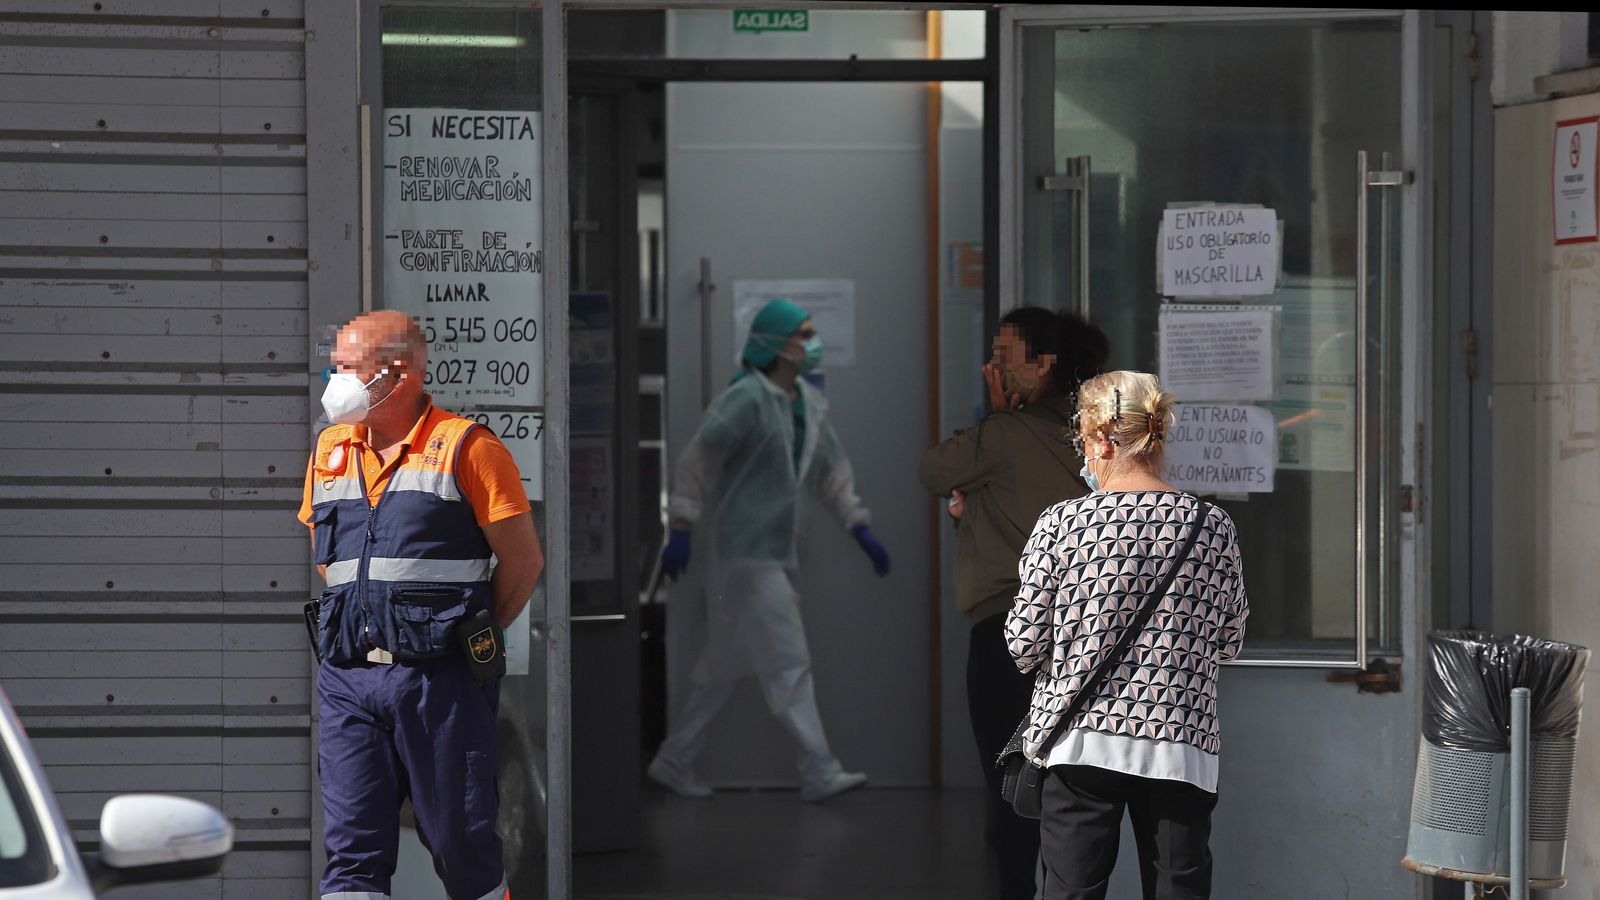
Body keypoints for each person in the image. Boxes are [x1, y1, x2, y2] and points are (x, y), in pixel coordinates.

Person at [300, 310, 543, 900]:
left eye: (348, 368)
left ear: (397, 373)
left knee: (463, 846)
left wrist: (466, 636)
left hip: (440, 683)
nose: (335, 381)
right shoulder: (330, 451)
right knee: (351, 855)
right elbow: (329, 563)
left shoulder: (469, 448)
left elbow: (523, 563)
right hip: (348, 680)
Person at [1007, 371, 1249, 900]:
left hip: (1080, 742)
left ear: (1100, 439)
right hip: (1179, 742)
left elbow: (1023, 643)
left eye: (1082, 442)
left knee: (1071, 890)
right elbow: (1229, 640)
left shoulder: (1061, 524)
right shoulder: (1211, 525)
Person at [649, 297, 891, 804]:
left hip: (775, 553)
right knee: (787, 658)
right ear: (774, 344)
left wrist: (858, 528)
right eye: (803, 335)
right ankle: (819, 769)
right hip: (746, 552)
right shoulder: (746, 399)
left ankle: (673, 761)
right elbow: (698, 462)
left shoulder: (806, 402)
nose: (811, 343)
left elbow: (830, 474)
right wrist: (683, 526)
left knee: (720, 669)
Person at [918, 307, 1109, 900]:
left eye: (1003, 358)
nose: (990, 368)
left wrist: (998, 416)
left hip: (1007, 634)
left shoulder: (1003, 435)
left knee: (1014, 787)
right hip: (1088, 635)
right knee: (1076, 786)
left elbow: (934, 469)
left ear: (1042, 365)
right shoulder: (1097, 435)